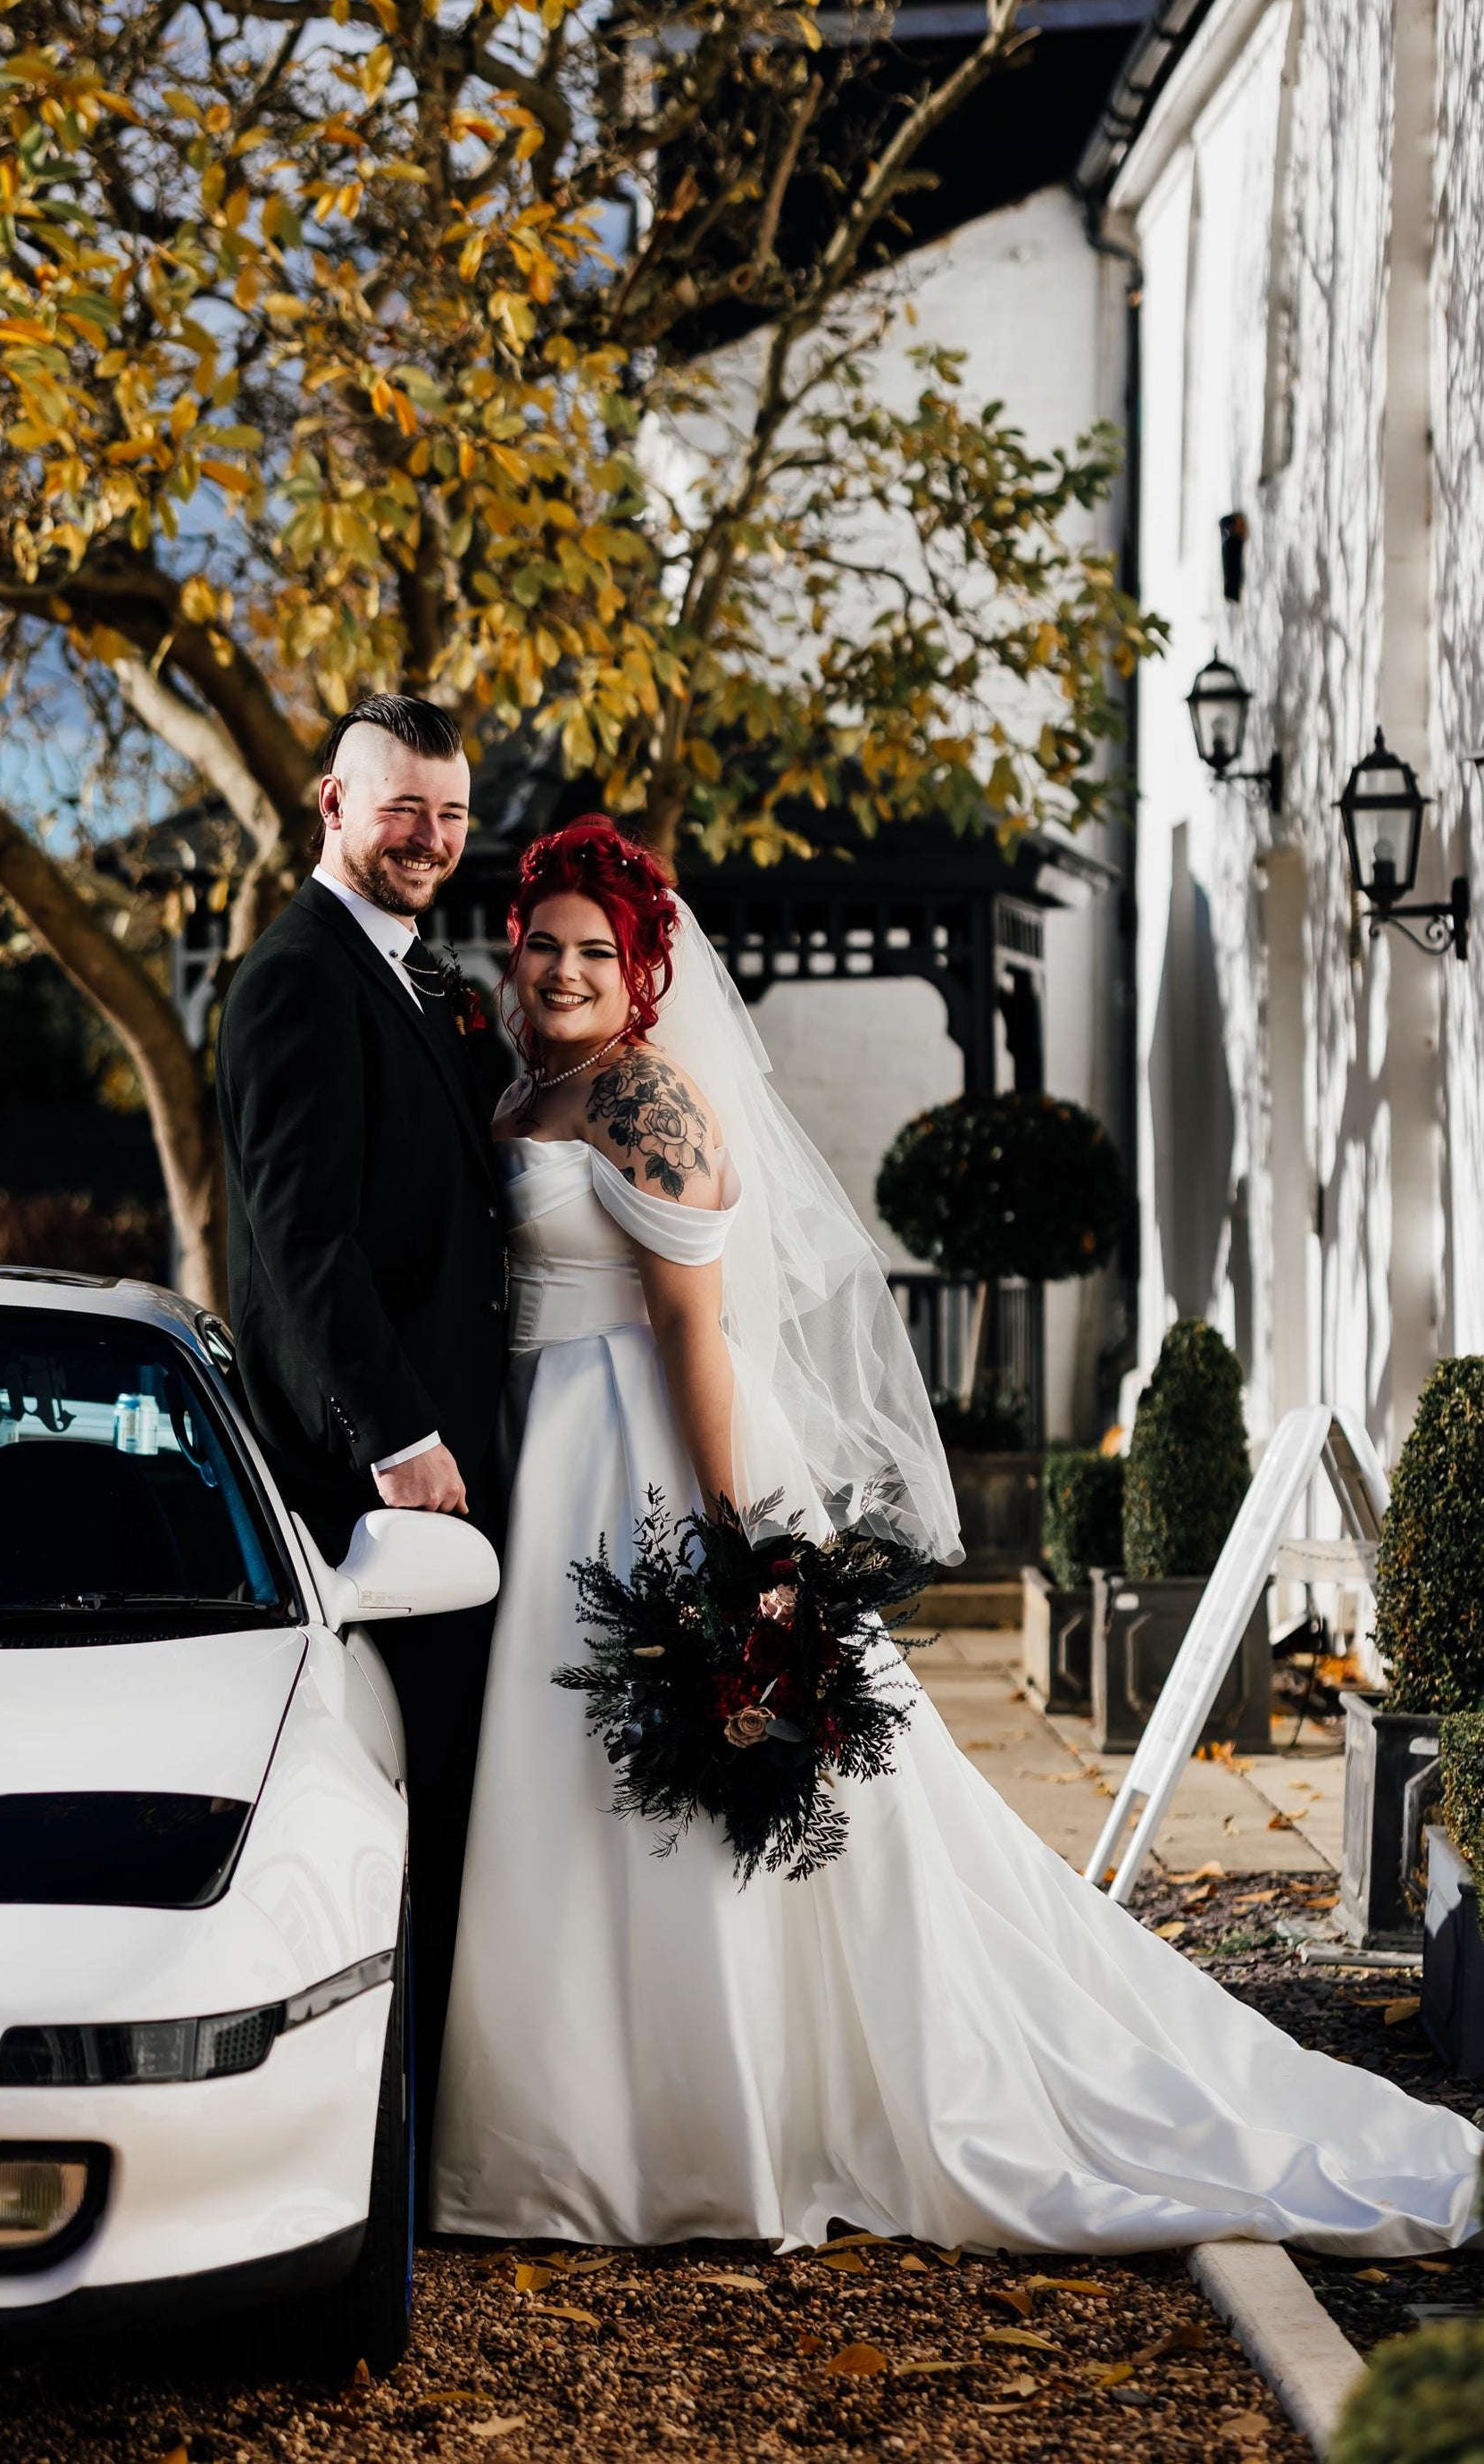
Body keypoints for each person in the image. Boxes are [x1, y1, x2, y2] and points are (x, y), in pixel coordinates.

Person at [431, 815, 1482, 2258]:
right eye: (543, 943)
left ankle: (699, 2135)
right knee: (571, 1803)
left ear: (641, 968)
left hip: (639, 1469)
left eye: (592, 951)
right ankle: (575, 2127)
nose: (560, 968)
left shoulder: (643, 1103)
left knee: (683, 1799)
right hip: (542, 1455)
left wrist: (753, 1556)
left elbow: (692, 1339)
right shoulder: (523, 1095)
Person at [215, 691, 506, 2169]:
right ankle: (382, 2146)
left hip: (449, 1467)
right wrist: (393, 1435)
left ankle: (431, 2121)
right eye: (404, 812)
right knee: (400, 1800)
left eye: (451, 816)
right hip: (379, 1484)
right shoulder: (293, 978)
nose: (432, 842)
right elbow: (299, 1239)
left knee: (456, 1787)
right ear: (332, 806)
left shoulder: (406, 980)